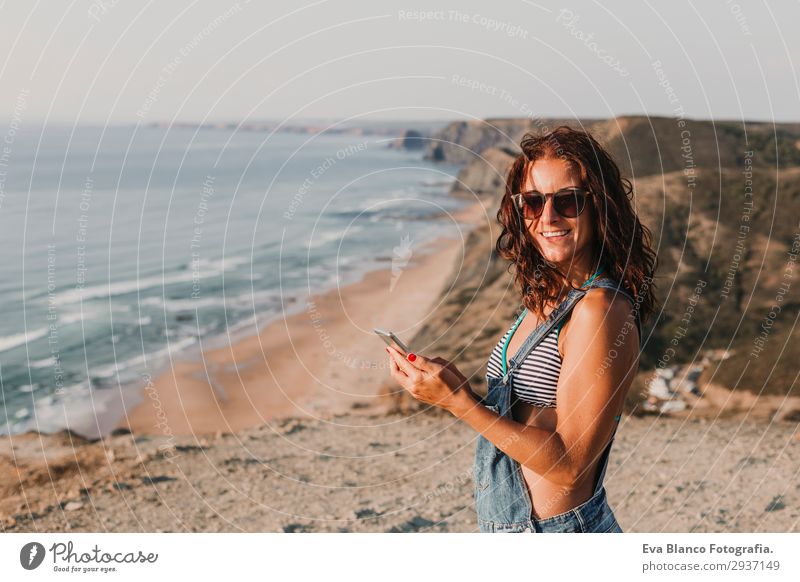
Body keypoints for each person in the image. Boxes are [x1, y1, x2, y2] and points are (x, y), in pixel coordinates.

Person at [386, 125, 658, 533]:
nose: (547, 217)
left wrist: (460, 403)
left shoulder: (599, 310)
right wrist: (458, 388)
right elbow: (534, 418)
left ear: (600, 207)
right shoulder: (551, 298)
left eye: (568, 202)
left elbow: (570, 466)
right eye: (532, 202)